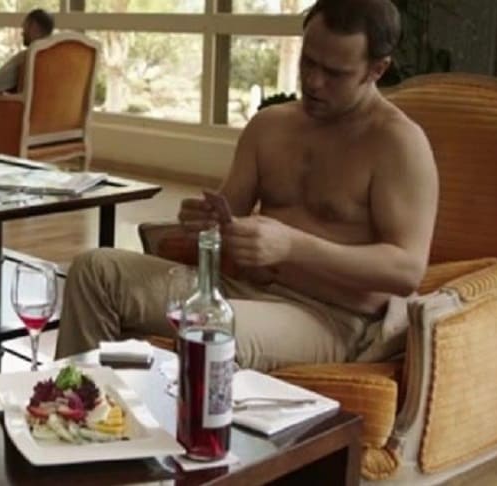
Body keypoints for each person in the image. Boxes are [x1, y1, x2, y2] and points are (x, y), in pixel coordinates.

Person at [55, 0, 439, 372]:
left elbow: (406, 269)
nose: (313, 81)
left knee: (212, 331)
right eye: (308, 61)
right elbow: (227, 217)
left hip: (330, 316)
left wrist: (292, 246)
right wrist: (204, 222)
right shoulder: (270, 125)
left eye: (334, 73)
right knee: (95, 271)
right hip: (237, 289)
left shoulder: (397, 143)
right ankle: (77, 402)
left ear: (376, 69)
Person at [0, 9, 55, 94]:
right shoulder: (59, 58)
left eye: (24, 26)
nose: (22, 33)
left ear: (33, 27)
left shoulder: (26, 58)